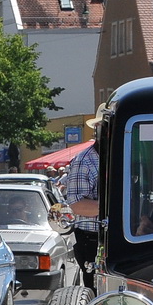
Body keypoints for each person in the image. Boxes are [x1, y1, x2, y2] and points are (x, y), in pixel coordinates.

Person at [64, 107, 104, 273]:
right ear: (98, 129)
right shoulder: (84, 160)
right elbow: (76, 204)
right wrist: (116, 210)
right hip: (92, 240)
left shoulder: (127, 156)